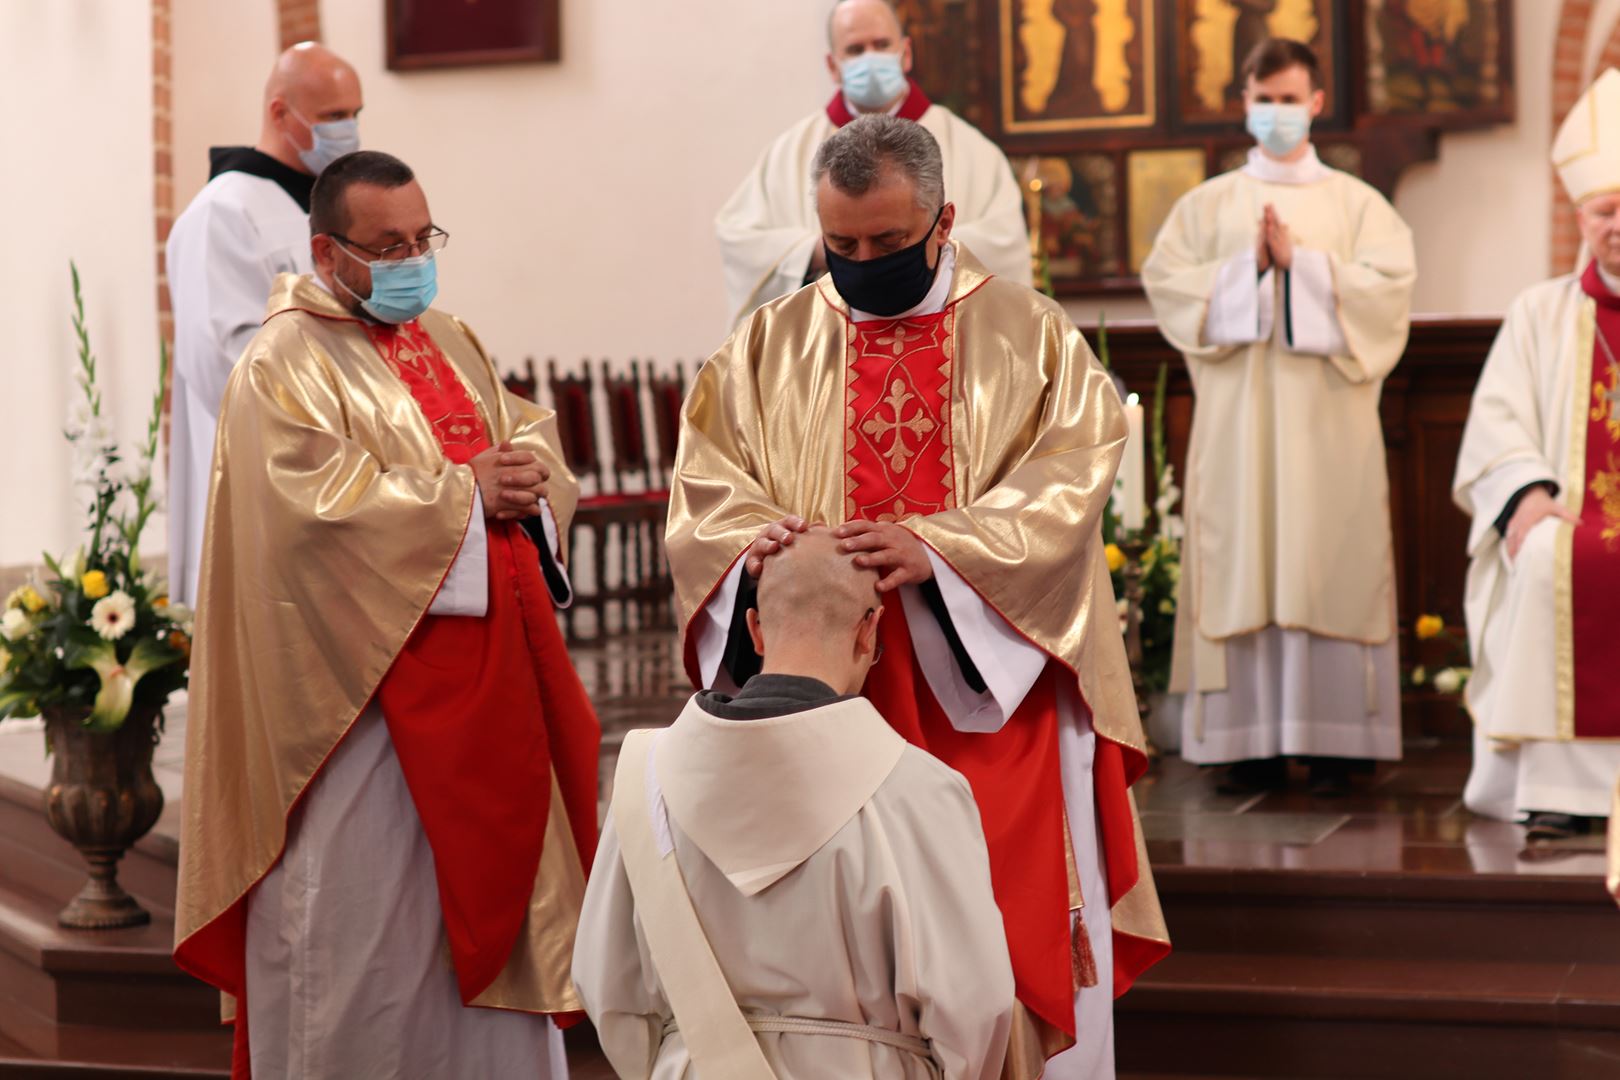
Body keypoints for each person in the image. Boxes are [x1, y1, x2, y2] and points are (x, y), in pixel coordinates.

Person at [669, 114, 1169, 1080]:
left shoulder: (1031, 334)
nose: (861, 262)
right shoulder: (766, 346)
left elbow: (1068, 486)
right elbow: (707, 492)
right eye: (841, 244)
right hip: (827, 696)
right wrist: (753, 547)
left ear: (944, 222)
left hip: (988, 692)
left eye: (888, 243)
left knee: (998, 913)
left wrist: (938, 550)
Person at [172, 151, 600, 1079]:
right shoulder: (280, 361)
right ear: (328, 254)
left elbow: (518, 433)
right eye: (389, 246)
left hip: (487, 698)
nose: (414, 261)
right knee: (370, 945)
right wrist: (459, 496)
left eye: (425, 239)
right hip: (354, 719)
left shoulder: (446, 334)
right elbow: (302, 521)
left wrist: (528, 477)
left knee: (489, 926)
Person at [575, 529, 1015, 1079]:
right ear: (868, 631)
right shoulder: (921, 789)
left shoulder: (645, 776)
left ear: (754, 631)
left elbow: (604, 982)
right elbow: (977, 1002)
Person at [1141, 37, 1416, 797]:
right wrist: (1250, 270)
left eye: (1291, 100)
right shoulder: (1206, 207)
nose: (1278, 113)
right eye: (1265, 100)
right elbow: (1167, 286)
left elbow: (1389, 294)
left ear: (1317, 103)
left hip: (1331, 433)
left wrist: (1305, 265)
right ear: (1245, 103)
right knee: (1245, 559)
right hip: (1239, 434)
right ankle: (1245, 741)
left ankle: (1338, 743)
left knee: (1328, 556)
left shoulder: (1359, 206)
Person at [1453, 69, 1620, 843]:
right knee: (1549, 551)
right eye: (1603, 209)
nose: (1616, 224)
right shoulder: (1539, 313)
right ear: (1581, 217)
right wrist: (1523, 493)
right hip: (1570, 510)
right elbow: (1497, 420)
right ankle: (1560, 789)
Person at [166, 42, 363, 607]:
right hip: (268, 474)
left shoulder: (324, 206)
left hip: (339, 465)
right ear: (280, 113)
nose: (348, 129)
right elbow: (227, 364)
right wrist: (344, 402)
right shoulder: (224, 212)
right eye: (333, 117)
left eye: (355, 114)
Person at [715, 0, 1031, 324]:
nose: (870, 58)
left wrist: (915, 252)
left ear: (905, 53)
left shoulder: (974, 150)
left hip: (946, 340)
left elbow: (1005, 243)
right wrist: (820, 251)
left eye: (881, 45)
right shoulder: (788, 153)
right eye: (855, 49)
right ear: (833, 66)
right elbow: (739, 237)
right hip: (829, 347)